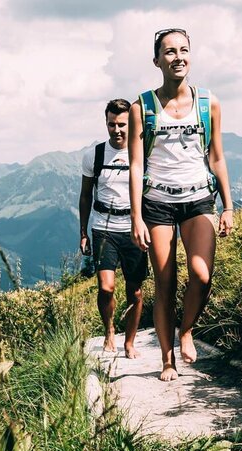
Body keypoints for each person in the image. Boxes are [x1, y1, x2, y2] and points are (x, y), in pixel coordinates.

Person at [128, 28, 235, 381]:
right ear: (157, 60)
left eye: (184, 50)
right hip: (157, 203)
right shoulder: (140, 107)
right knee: (165, 281)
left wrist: (229, 206)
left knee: (202, 276)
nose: (178, 57)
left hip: (199, 199)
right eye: (169, 51)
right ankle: (167, 359)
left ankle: (186, 330)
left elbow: (217, 157)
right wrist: (136, 217)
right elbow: (136, 165)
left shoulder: (209, 103)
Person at [80, 98, 148, 358]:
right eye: (112, 124)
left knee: (136, 290)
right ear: (106, 123)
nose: (117, 130)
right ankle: (109, 331)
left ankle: (130, 342)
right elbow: (85, 196)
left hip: (133, 227)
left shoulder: (142, 153)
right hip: (103, 227)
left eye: (122, 124)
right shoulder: (94, 155)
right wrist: (83, 232)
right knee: (106, 287)